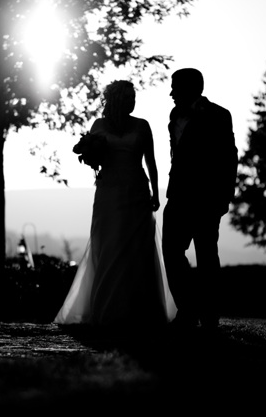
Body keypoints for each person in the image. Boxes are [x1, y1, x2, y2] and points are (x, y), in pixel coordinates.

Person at [54, 80, 177, 328]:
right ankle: (107, 309)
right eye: (129, 97)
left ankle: (139, 311)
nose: (133, 102)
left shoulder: (143, 126)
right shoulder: (99, 125)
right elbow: (93, 158)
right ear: (118, 100)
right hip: (108, 193)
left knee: (137, 251)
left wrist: (155, 192)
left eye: (134, 97)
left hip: (136, 192)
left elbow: (151, 162)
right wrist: (90, 156)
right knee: (108, 247)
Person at [162, 68, 238, 333]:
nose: (171, 93)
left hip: (206, 199)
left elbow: (229, 157)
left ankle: (209, 315)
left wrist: (225, 195)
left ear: (192, 88)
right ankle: (187, 308)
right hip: (177, 196)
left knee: (206, 257)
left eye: (175, 87)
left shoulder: (219, 115)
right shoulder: (174, 116)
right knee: (171, 252)